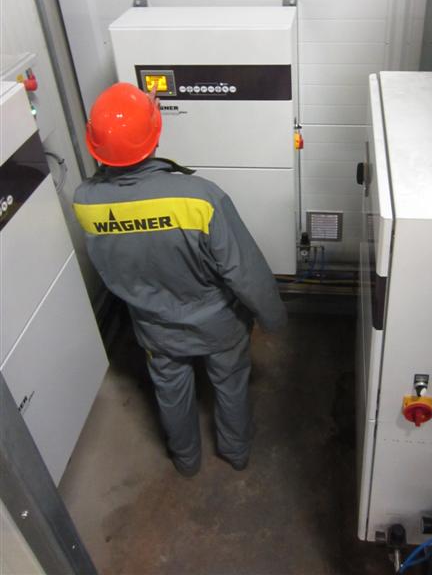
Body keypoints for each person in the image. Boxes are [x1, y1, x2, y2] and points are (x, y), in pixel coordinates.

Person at [73, 82, 287, 476]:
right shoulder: (199, 198)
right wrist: (272, 317)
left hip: (154, 325)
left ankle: (186, 461)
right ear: (155, 136)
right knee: (230, 383)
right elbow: (244, 270)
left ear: (95, 146)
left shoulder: (85, 202)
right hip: (218, 323)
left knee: (170, 391)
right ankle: (236, 453)